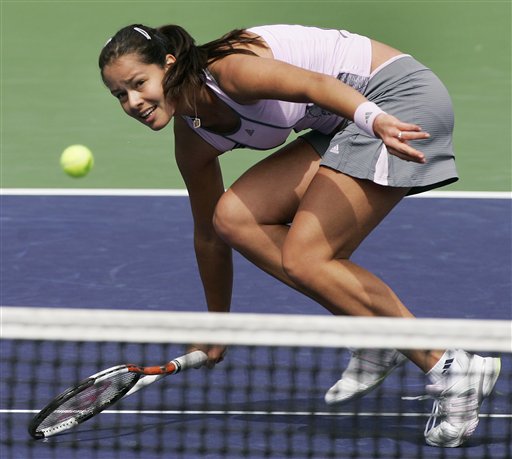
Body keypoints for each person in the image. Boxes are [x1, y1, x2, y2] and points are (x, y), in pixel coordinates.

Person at [98, 23, 500, 447]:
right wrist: (216, 327)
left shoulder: (232, 73)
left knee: (307, 258)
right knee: (233, 218)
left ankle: (451, 367)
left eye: (138, 84)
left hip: (394, 104)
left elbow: (315, 83)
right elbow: (209, 238)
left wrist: (376, 120)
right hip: (345, 124)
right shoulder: (193, 136)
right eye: (120, 95)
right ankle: (374, 332)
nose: (133, 102)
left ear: (168, 64)